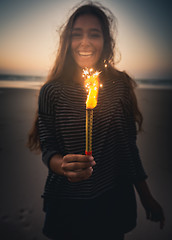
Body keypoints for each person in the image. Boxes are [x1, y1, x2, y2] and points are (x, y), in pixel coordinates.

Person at [27, 2, 165, 240]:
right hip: (66, 205)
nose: (85, 42)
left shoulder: (119, 86)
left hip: (111, 201)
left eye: (94, 34)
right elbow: (49, 149)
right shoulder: (51, 91)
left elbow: (128, 148)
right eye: (76, 34)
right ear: (67, 42)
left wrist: (146, 196)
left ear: (106, 42)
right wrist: (62, 166)